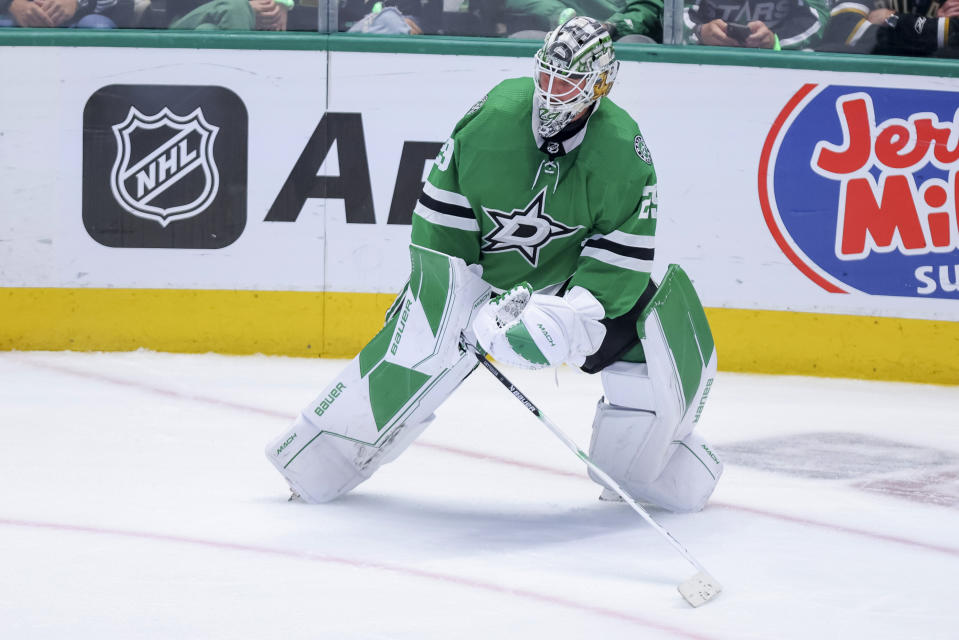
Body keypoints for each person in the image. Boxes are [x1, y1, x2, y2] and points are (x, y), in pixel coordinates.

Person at [265, 16, 723, 513]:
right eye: (545, 76)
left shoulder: (623, 152)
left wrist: (572, 319)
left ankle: (650, 476)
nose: (550, 93)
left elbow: (622, 253)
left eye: (567, 83)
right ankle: (319, 457)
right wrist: (462, 298)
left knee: (657, 339)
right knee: (419, 347)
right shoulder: (494, 118)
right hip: (477, 270)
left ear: (599, 86)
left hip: (568, 277)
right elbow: (440, 218)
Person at [817, 0, 959, 55]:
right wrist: (932, 30)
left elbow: (954, 37)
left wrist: (892, 18)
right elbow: (845, 31)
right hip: (872, 80)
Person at [683, 0, 829, 49]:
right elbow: (670, 11)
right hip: (705, 63)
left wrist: (775, 41)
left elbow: (817, 18)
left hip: (778, 66)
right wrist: (699, 32)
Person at [504, 0, 664, 41]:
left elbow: (646, 8)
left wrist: (613, 26)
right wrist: (562, 16)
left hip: (615, 37)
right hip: (561, 36)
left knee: (634, 43)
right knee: (525, 40)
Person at [0, 0, 133, 27]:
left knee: (95, 27)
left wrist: (78, 2)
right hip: (14, 21)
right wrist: (10, 3)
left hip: (81, 23)